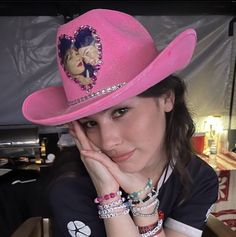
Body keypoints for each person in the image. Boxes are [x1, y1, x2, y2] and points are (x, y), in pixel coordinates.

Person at [22, 9, 219, 237]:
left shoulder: (197, 178)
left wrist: (141, 199)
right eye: (90, 124)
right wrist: (109, 195)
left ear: (167, 98)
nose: (108, 141)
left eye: (121, 111)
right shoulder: (71, 187)